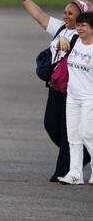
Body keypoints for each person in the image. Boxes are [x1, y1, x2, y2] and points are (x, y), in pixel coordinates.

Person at [10, 0, 91, 182]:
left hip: (77, 90)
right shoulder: (62, 29)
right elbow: (39, 15)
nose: (65, 16)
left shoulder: (86, 38)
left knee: (69, 133)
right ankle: (82, 155)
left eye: (70, 13)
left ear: (83, 17)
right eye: (64, 12)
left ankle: (65, 171)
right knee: (52, 126)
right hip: (57, 88)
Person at [58, 12, 93, 185]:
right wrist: (60, 42)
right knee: (73, 136)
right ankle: (75, 173)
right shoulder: (75, 41)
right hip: (72, 96)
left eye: (84, 26)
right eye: (78, 25)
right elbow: (61, 45)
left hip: (90, 97)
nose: (79, 28)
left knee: (87, 134)